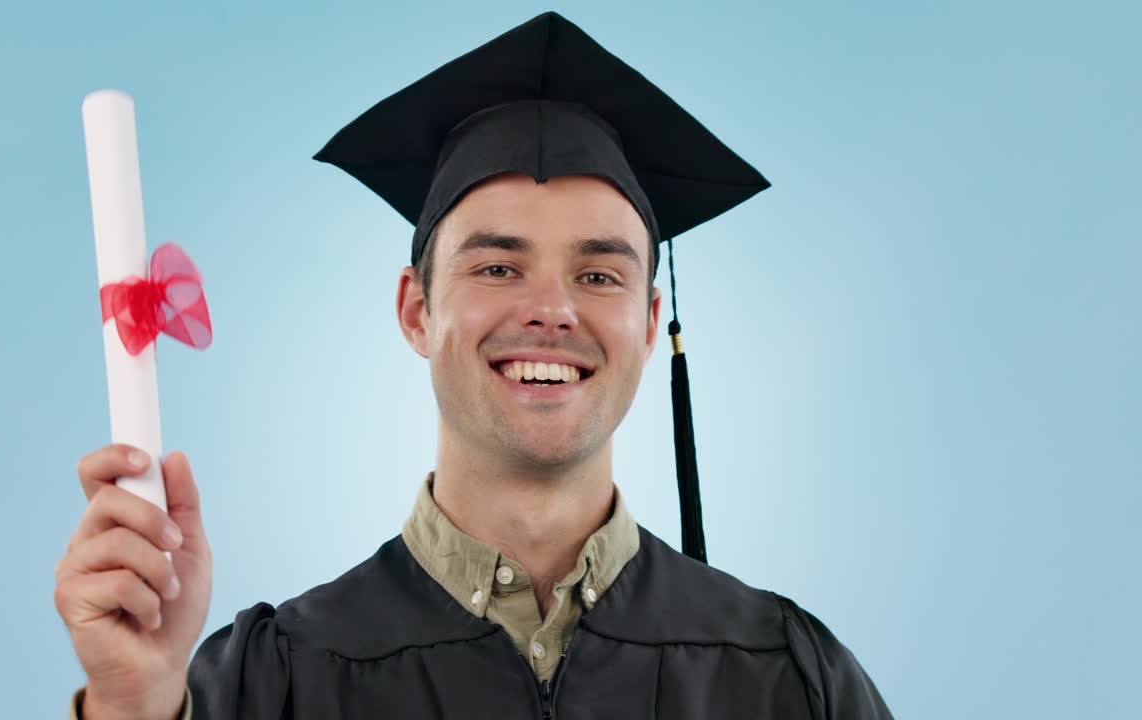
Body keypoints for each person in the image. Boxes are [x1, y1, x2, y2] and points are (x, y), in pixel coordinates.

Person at [55, 12, 893, 719]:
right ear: (416, 310)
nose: (552, 309)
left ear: (647, 325)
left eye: (598, 276)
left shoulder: (786, 678)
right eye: (497, 267)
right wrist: (132, 704)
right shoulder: (270, 682)